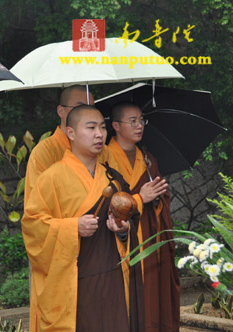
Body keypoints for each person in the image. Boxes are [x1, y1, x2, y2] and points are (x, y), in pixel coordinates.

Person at [22, 105, 144, 332]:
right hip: (75, 281)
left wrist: (123, 229)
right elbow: (33, 227)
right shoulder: (52, 178)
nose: (99, 134)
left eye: (102, 127)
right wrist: (72, 227)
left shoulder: (113, 178)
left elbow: (131, 221)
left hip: (113, 275)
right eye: (91, 128)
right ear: (71, 133)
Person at [108, 102, 180, 332]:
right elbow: (105, 202)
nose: (140, 126)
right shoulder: (104, 158)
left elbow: (162, 198)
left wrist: (157, 197)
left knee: (151, 296)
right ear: (116, 126)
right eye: (133, 121)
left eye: (142, 120)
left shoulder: (148, 159)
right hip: (118, 242)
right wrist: (141, 196)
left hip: (149, 240)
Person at [24, 85, 117, 205]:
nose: (86, 112)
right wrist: (75, 223)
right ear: (61, 111)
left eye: (91, 107)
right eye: (80, 107)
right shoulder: (45, 151)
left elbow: (118, 192)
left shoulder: (104, 151)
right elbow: (37, 207)